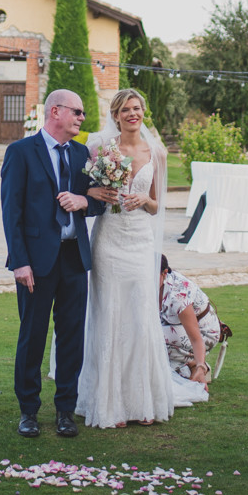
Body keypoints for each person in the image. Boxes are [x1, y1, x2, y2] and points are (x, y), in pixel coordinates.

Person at [0, 88, 104, 439]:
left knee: (72, 337)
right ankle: (28, 411)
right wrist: (19, 262)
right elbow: (11, 212)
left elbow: (101, 201)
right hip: (35, 264)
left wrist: (83, 200)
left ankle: (65, 411)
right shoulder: (20, 152)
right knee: (32, 336)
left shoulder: (82, 154)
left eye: (82, 113)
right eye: (77, 112)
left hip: (74, 258)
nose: (81, 118)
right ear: (55, 112)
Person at [77, 89, 178, 429]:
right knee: (109, 317)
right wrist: (94, 192)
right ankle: (111, 404)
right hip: (108, 239)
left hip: (138, 242)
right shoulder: (102, 149)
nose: (132, 114)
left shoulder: (157, 153)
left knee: (139, 316)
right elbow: (82, 190)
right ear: (116, 115)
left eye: (136, 109)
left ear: (143, 112)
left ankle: (142, 402)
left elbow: (156, 205)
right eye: (125, 110)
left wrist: (141, 200)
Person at [159, 256, 220, 387]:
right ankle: (183, 367)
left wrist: (200, 367)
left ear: (164, 273)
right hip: (176, 328)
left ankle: (195, 365)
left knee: (152, 336)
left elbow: (196, 338)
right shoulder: (152, 286)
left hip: (205, 333)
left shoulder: (178, 296)